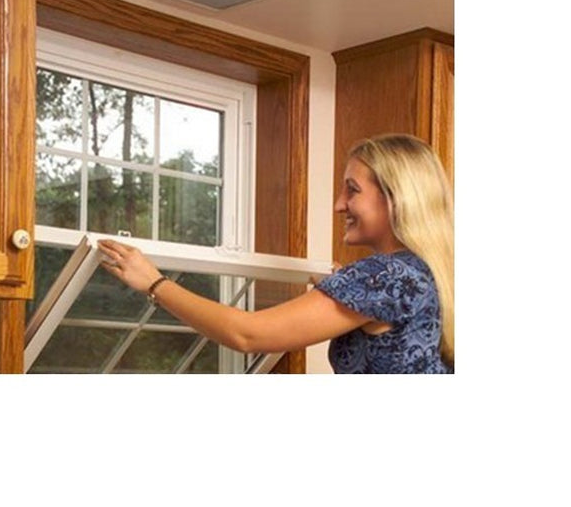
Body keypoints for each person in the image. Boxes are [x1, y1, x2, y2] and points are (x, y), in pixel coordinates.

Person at [98, 133, 454, 374]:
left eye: (352, 190)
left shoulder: (385, 277)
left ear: (395, 198)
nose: (338, 204)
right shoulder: (423, 272)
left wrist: (154, 283)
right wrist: (343, 287)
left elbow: (248, 335)